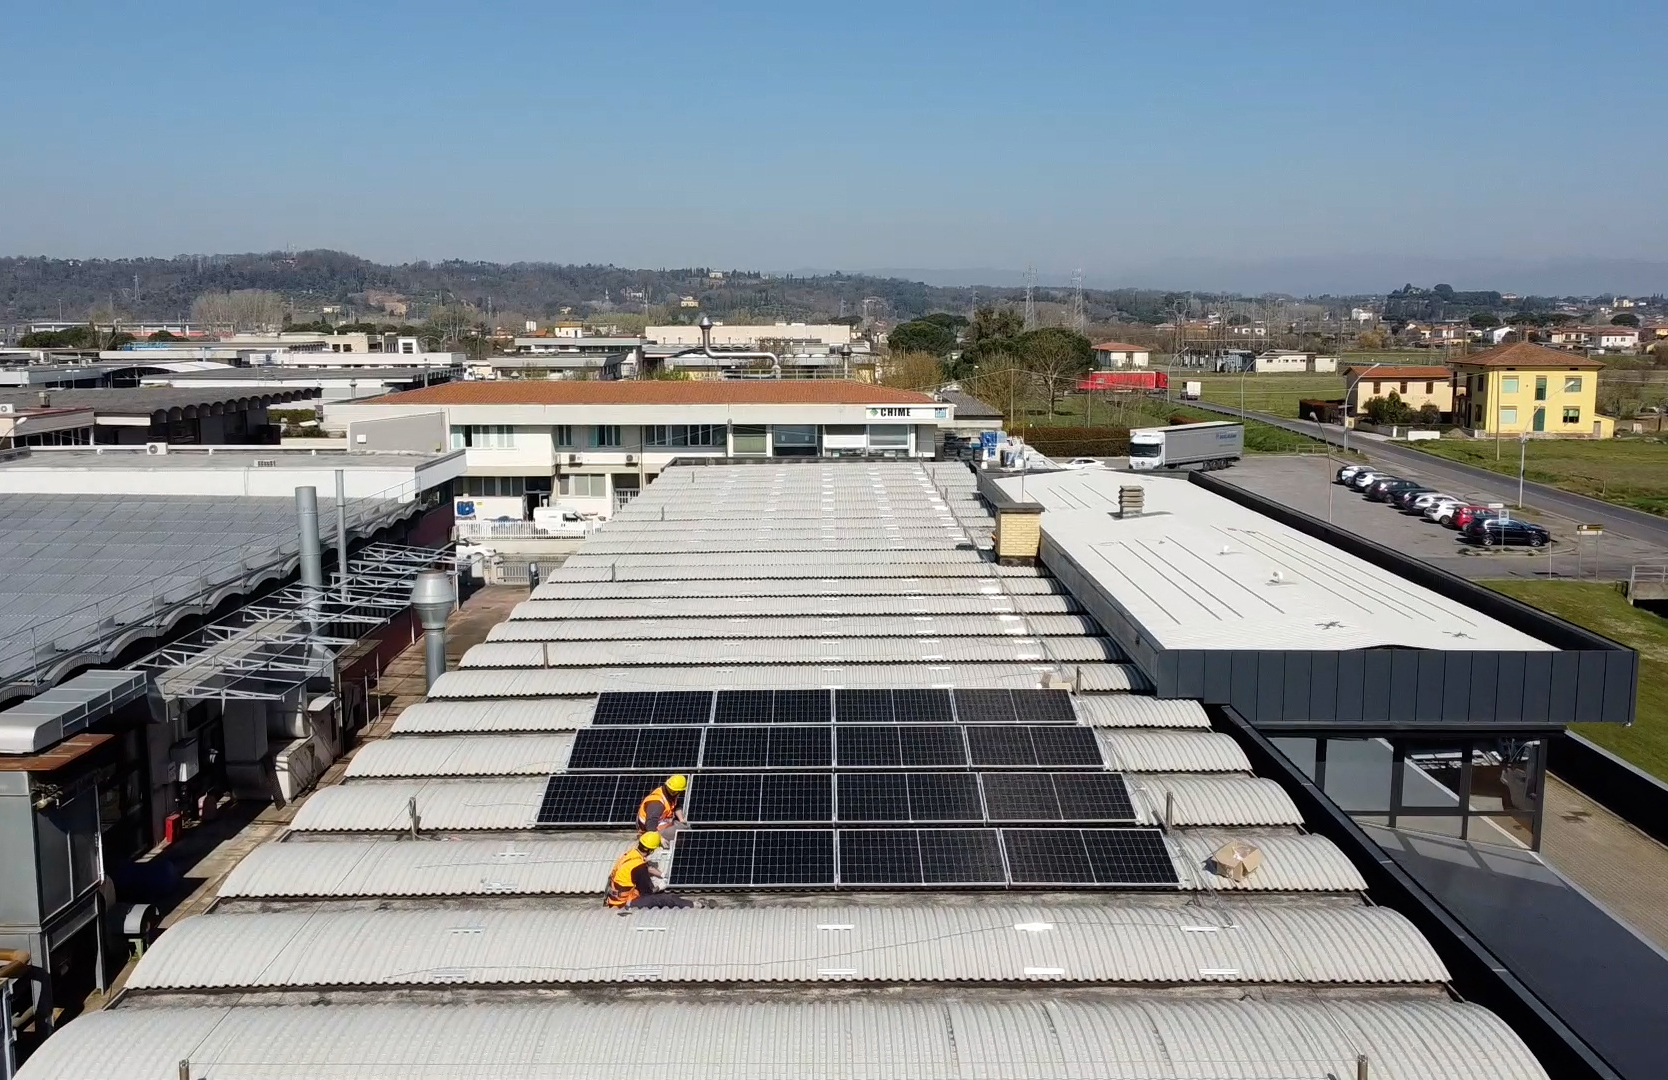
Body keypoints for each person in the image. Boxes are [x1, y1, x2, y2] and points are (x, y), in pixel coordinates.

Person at [605, 832, 693, 910]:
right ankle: (693, 905)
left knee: (667, 895)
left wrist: (662, 874)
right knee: (665, 899)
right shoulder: (639, 867)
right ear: (651, 850)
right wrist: (659, 887)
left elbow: (647, 867)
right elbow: (647, 894)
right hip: (623, 904)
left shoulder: (631, 854)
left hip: (613, 899)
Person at [635, 774, 688, 839]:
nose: (674, 793)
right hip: (649, 827)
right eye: (672, 791)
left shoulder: (670, 795)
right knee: (681, 833)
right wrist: (658, 838)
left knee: (685, 827)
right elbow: (651, 824)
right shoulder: (657, 803)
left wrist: (681, 820)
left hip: (663, 822)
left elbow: (677, 806)